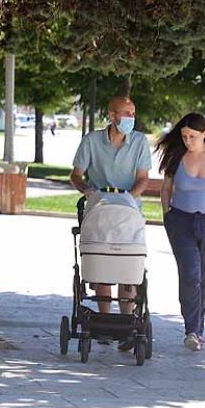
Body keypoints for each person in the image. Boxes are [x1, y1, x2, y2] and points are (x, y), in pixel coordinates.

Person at [69, 96, 151, 351]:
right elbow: (76, 175)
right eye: (125, 112)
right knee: (103, 258)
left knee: (126, 262)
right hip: (99, 206)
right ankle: (104, 319)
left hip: (128, 209)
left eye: (133, 112)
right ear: (112, 115)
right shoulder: (92, 141)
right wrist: (89, 191)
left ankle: (127, 319)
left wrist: (129, 197)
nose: (130, 117)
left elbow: (143, 178)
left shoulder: (139, 142)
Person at [157, 112, 205, 352]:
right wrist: (167, 216)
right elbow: (166, 188)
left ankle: (198, 330)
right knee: (190, 274)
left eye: (192, 136)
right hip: (180, 221)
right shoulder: (177, 155)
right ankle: (191, 330)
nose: (187, 140)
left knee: (204, 278)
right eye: (183, 136)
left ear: (204, 134)